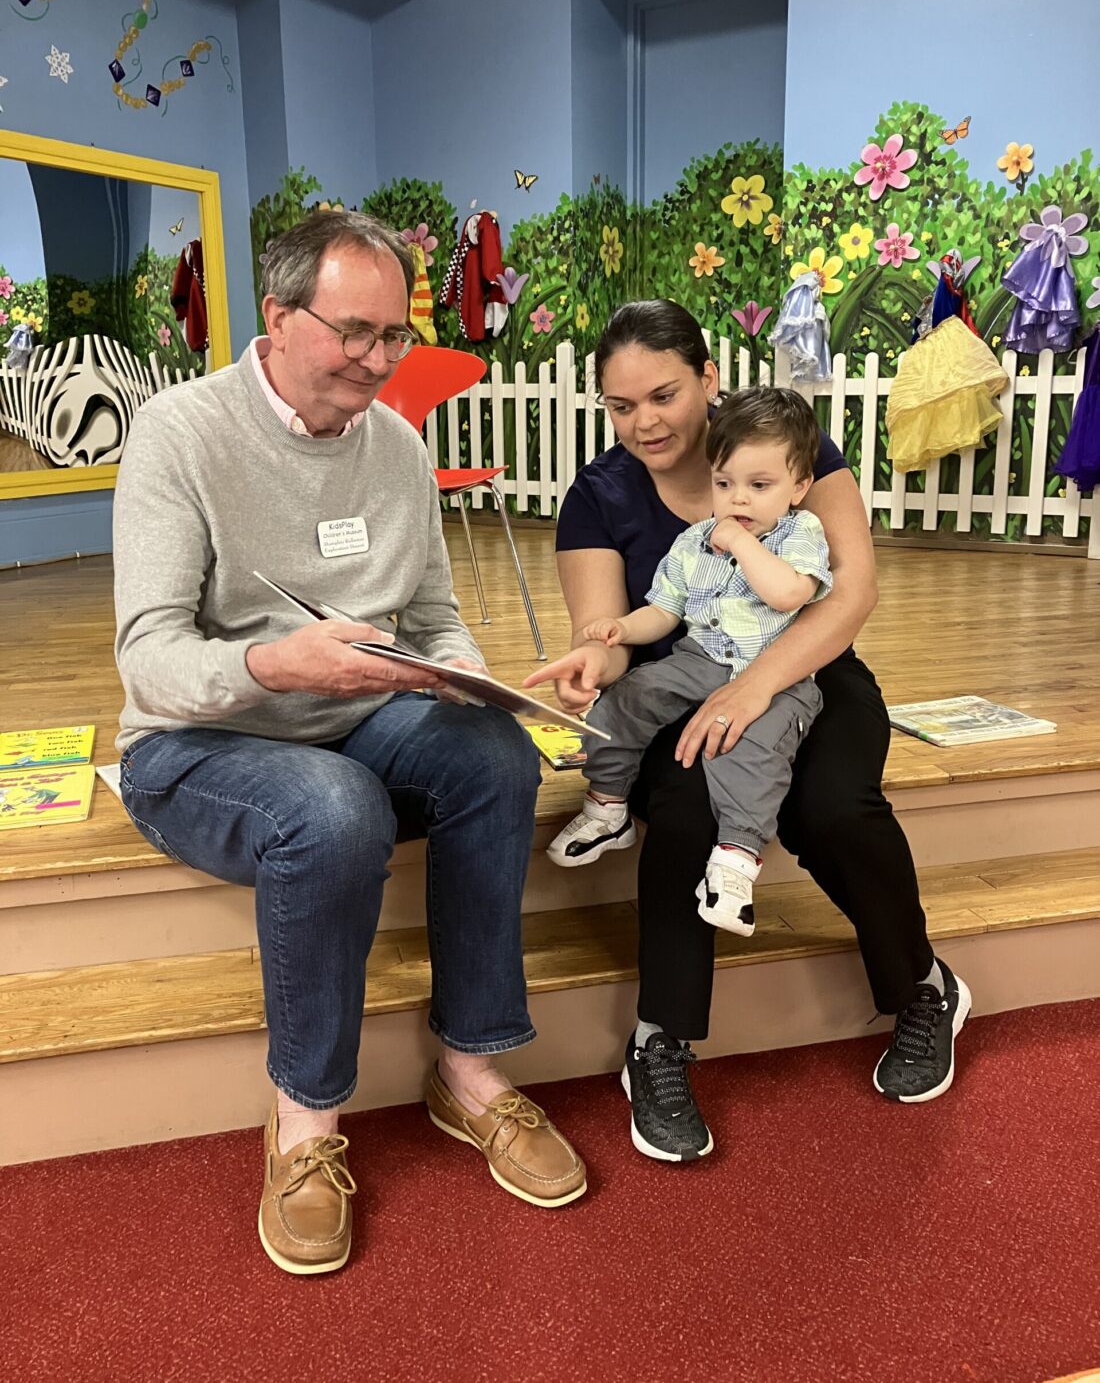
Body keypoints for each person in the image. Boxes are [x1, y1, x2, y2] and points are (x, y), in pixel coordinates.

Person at [112, 211, 586, 1277]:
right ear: (278, 320)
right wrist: (277, 665)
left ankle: (468, 1073)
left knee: (493, 758)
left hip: (353, 722)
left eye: (394, 338)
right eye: (353, 334)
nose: (378, 363)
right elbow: (149, 663)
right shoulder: (182, 433)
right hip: (198, 743)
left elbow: (432, 615)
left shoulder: (398, 446)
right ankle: (305, 1123)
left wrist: (467, 681)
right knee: (332, 809)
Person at [524, 300, 971, 1165]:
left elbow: (849, 594)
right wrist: (593, 660)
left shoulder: (795, 451)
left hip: (807, 665)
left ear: (708, 379)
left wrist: (758, 686)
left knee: (833, 807)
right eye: (621, 406)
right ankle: (659, 1040)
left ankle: (923, 985)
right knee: (686, 811)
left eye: (662, 394)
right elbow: (610, 628)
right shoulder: (597, 494)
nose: (644, 421)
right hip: (685, 676)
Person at [547, 388, 832, 942]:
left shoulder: (802, 533)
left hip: (778, 678)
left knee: (743, 747)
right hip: (700, 658)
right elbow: (665, 610)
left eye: (759, 486)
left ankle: (737, 860)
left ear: (798, 487)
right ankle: (608, 807)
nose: (738, 500)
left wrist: (742, 544)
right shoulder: (693, 541)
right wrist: (621, 629)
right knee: (625, 699)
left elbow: (788, 593)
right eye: (724, 484)